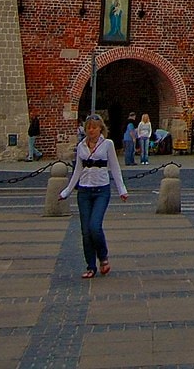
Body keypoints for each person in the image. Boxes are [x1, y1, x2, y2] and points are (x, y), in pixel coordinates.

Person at [59, 113, 128, 278]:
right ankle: (90, 265)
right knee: (85, 231)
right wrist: (66, 191)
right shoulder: (81, 146)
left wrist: (122, 190)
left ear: (100, 129)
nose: (91, 130)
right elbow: (77, 170)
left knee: (94, 227)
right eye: (89, 127)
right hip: (84, 190)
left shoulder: (108, 145)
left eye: (95, 127)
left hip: (101, 190)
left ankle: (103, 257)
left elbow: (115, 168)